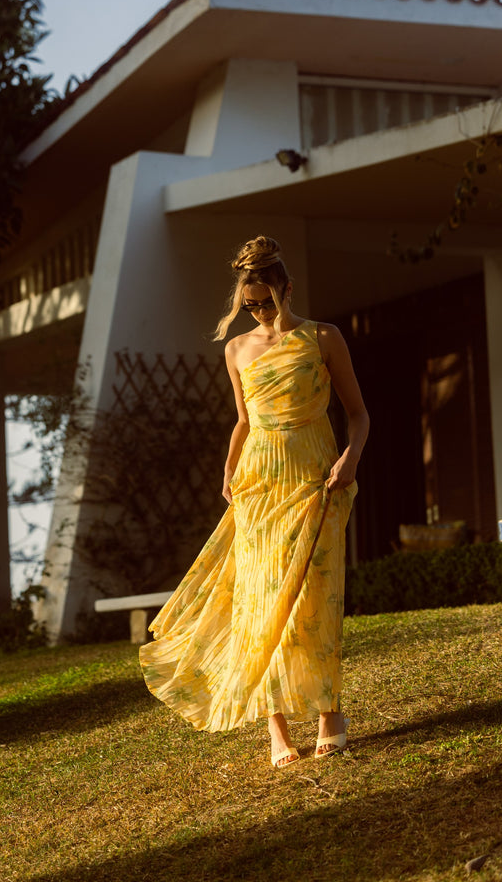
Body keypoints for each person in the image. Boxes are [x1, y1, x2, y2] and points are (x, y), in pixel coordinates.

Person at [139, 235, 369, 768]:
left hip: (315, 474)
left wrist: (350, 459)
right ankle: (276, 729)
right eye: (251, 305)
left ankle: (330, 714)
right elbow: (244, 420)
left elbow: (358, 413)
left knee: (315, 595)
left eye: (267, 300)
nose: (260, 311)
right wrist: (227, 469)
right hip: (259, 482)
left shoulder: (322, 337)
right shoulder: (236, 349)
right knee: (259, 600)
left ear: (287, 288)